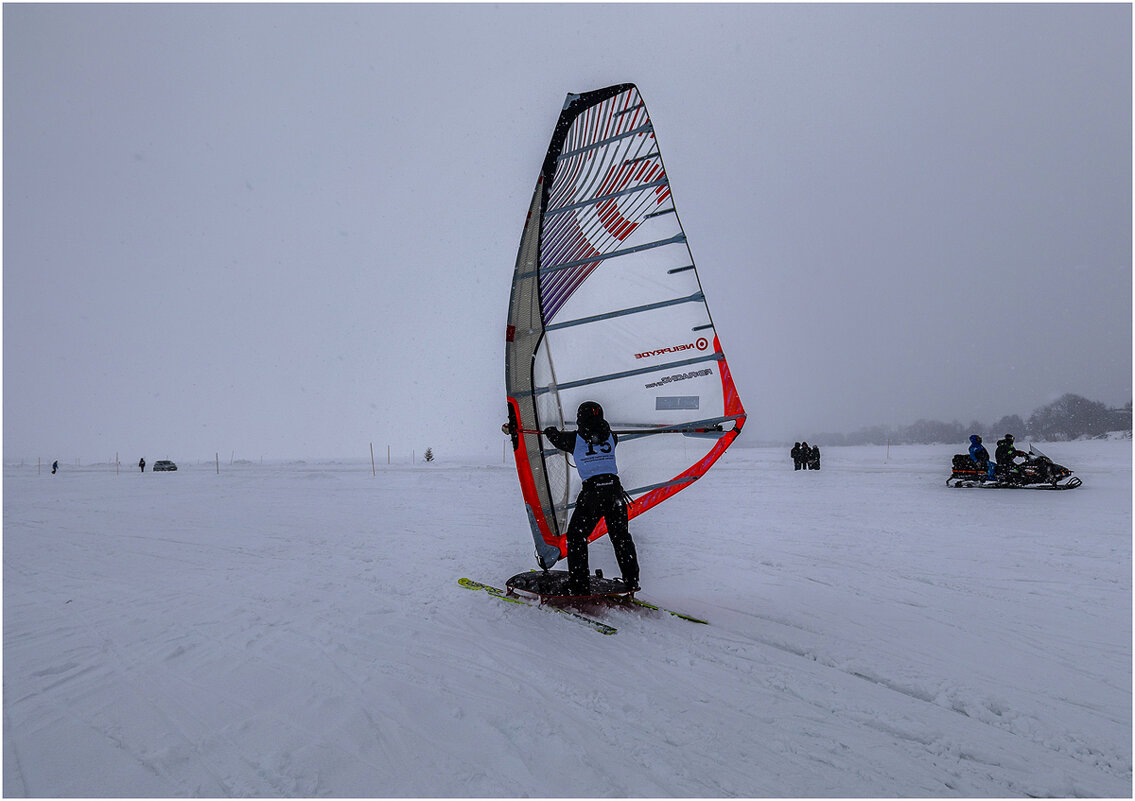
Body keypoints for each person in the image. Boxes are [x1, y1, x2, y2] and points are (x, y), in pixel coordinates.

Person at [542, 401, 639, 595]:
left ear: (580, 418)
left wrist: (549, 429)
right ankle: (631, 580)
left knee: (577, 536)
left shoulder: (573, 439)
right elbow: (600, 434)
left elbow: (553, 437)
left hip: (593, 494)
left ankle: (579, 584)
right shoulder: (612, 437)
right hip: (614, 492)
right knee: (621, 538)